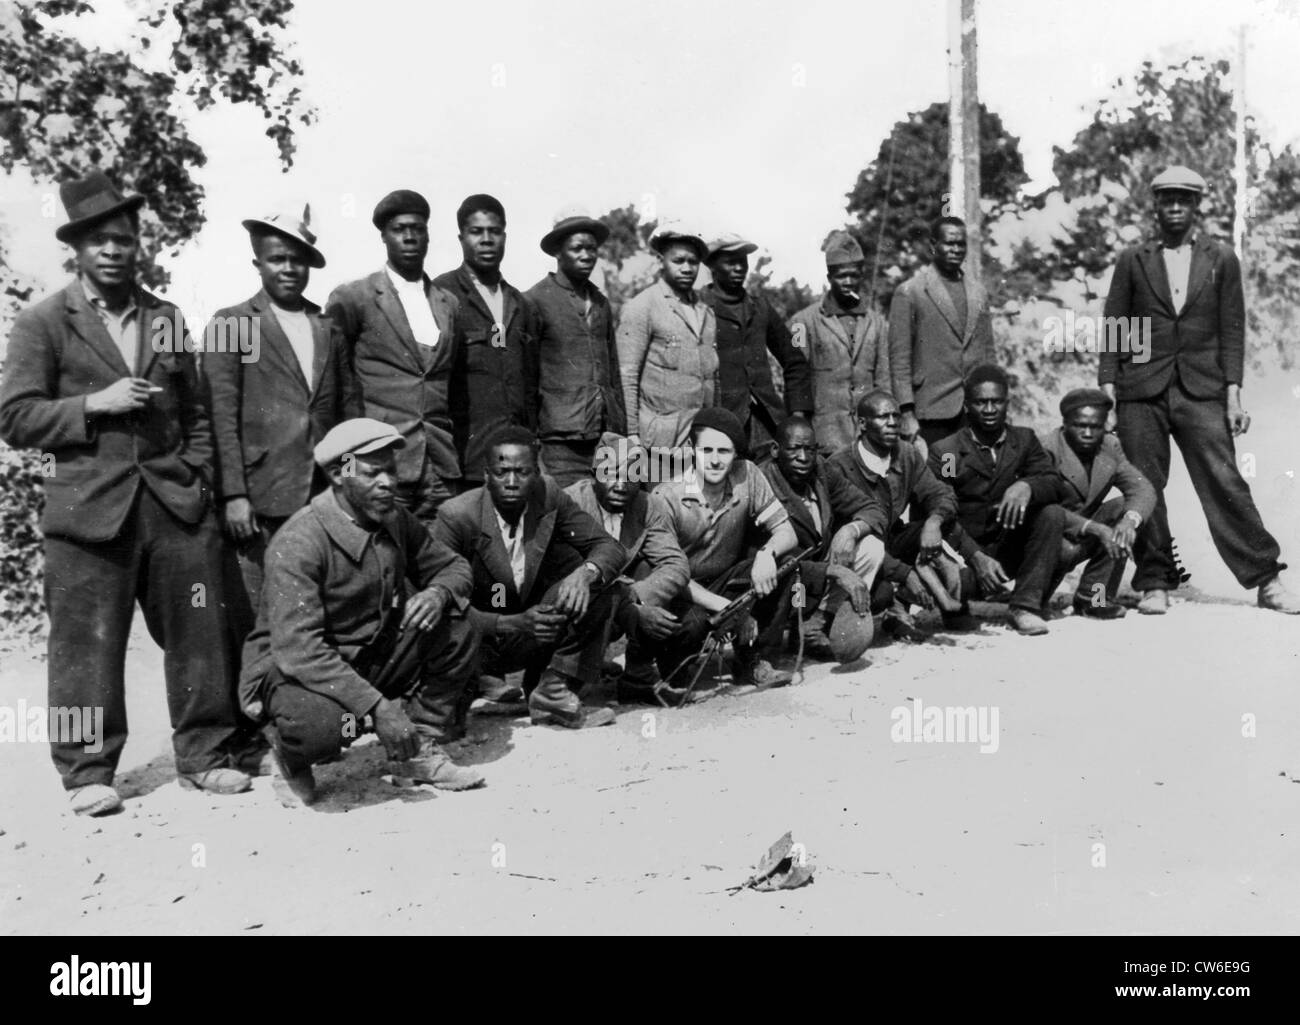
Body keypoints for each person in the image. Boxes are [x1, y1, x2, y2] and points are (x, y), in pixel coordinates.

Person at [0, 170, 250, 815]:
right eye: (98, 241)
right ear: (76, 249)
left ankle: (206, 755)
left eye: (124, 240)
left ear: (138, 245)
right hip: (87, 511)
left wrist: (195, 475)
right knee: (85, 644)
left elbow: (194, 409)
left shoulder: (164, 317)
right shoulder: (45, 322)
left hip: (173, 506)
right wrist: (93, 405)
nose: (113, 251)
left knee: (200, 630)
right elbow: (16, 416)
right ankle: (87, 772)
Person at [239, 419, 484, 807]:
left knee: (457, 627)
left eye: (391, 469)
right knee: (323, 728)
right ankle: (289, 757)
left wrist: (438, 593)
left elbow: (454, 567)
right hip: (297, 672)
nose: (388, 482)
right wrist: (379, 707)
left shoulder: (393, 518)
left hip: (367, 655)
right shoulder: (300, 541)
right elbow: (299, 650)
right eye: (373, 473)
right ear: (338, 474)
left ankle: (416, 748)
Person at [1101, 164, 1299, 615]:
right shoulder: (1134, 258)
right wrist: (1109, 389)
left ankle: (1266, 579)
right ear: (1155, 205)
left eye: (1183, 200)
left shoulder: (1221, 258)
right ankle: (1154, 581)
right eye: (1166, 200)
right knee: (1144, 485)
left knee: (1223, 480)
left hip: (1201, 389)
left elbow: (1233, 329)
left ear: (1196, 206)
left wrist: (1233, 395)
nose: (1174, 207)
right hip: (1141, 389)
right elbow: (1116, 323)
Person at [205, 205, 350, 632]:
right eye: (277, 259)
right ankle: (255, 699)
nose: (289, 268)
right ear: (258, 264)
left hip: (323, 492)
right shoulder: (231, 323)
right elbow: (220, 417)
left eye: (297, 260)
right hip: (261, 496)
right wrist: (233, 494)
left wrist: (349, 480)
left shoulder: (328, 325)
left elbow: (349, 411)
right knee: (259, 615)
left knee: (317, 608)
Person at [431, 426, 627, 729]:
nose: (511, 482)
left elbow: (608, 547)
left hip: (534, 630)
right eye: (502, 472)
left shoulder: (548, 495)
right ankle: (473, 689)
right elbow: (443, 605)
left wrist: (585, 574)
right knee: (447, 726)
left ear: (536, 473)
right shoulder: (456, 516)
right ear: (486, 474)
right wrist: (514, 622)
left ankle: (552, 691)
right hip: (478, 640)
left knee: (603, 587)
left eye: (522, 472)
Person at [324, 189, 463, 520]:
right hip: (381, 462)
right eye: (400, 229)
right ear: (384, 237)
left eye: (418, 228)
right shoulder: (354, 297)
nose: (410, 237)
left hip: (440, 465)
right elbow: (335, 380)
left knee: (441, 557)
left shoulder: (448, 303)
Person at [649, 408, 800, 692]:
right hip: (683, 592)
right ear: (692, 449)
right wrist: (736, 611)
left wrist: (766, 555)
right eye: (707, 450)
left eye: (724, 451)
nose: (716, 460)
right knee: (688, 630)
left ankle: (753, 660)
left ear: (736, 454)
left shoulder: (748, 475)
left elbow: (786, 532)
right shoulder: (666, 497)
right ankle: (672, 669)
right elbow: (669, 575)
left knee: (785, 565)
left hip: (725, 580)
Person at [927, 365, 1070, 635]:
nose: (990, 409)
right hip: (964, 555)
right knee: (955, 604)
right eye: (981, 402)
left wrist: (1027, 485)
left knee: (1052, 513)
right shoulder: (947, 453)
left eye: (997, 401)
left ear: (1007, 403)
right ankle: (955, 605)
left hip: (1006, 549)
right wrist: (975, 557)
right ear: (967, 405)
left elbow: (1053, 482)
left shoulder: (1024, 440)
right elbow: (939, 510)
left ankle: (1024, 606)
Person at [824, 390, 973, 633]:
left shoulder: (906, 453)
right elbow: (847, 542)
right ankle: (891, 608)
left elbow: (940, 493)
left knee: (947, 531)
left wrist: (933, 523)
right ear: (862, 423)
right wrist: (906, 574)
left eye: (896, 415)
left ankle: (949, 609)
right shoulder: (839, 465)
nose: (893, 423)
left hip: (892, 542)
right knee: (880, 594)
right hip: (862, 553)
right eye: (883, 417)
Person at [565, 435, 692, 697]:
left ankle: (638, 677)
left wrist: (637, 597)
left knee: (649, 569)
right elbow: (571, 572)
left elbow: (675, 564)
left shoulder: (648, 505)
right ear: (593, 474)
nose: (621, 484)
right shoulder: (570, 503)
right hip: (580, 601)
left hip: (623, 597)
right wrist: (628, 607)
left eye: (632, 474)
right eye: (612, 473)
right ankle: (565, 678)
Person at [432, 193, 539, 488]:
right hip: (466, 461)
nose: (487, 239)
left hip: (516, 464)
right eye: (476, 232)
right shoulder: (441, 294)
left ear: (505, 236)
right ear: (461, 237)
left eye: (494, 231)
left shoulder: (520, 302)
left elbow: (530, 387)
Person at [761, 416, 888, 662]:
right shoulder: (762, 481)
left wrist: (850, 531)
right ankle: (791, 629)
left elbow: (873, 509)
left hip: (816, 580)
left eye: (809, 449)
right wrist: (835, 571)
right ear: (775, 450)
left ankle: (815, 624)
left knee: (871, 547)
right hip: (786, 580)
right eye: (794, 449)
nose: (803, 458)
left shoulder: (820, 469)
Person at [525, 207, 624, 487]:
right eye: (577, 248)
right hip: (560, 442)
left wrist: (624, 436)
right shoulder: (535, 301)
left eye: (591, 249)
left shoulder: (601, 303)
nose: (586, 256)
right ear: (558, 252)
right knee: (566, 516)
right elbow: (526, 378)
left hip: (607, 437)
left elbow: (614, 372)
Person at [1039, 388, 1156, 620]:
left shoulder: (1109, 446)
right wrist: (1097, 529)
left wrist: (1129, 521)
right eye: (1080, 425)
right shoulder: (1046, 449)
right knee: (1022, 603)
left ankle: (1093, 599)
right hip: (1047, 540)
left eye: (1095, 427)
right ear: (1065, 424)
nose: (1088, 433)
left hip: (1082, 535)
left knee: (1125, 507)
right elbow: (1042, 511)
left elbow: (1142, 488)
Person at [700, 234, 812, 463]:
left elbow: (795, 359)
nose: (739, 267)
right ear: (712, 265)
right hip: (720, 424)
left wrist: (798, 416)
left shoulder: (761, 308)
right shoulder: (699, 306)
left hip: (766, 424)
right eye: (731, 261)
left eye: (743, 261)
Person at [617, 226, 718, 475]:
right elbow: (627, 376)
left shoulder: (706, 312)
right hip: (659, 444)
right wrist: (631, 435)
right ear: (661, 262)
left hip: (699, 440)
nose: (686, 268)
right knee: (661, 509)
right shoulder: (643, 306)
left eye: (693, 262)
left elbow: (713, 377)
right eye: (678, 261)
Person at [888, 217, 996, 448]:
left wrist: (994, 400)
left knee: (973, 480)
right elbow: (899, 360)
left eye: (961, 244)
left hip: (974, 411)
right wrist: (906, 413)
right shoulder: (910, 292)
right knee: (939, 478)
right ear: (932, 246)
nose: (956, 249)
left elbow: (988, 352)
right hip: (931, 411)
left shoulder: (978, 293)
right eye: (949, 243)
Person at [788, 231, 890, 455]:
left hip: (869, 439)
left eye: (854, 275)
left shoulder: (877, 323)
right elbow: (797, 380)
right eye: (841, 276)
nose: (848, 282)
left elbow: (884, 380)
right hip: (826, 438)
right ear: (829, 277)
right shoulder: (803, 322)